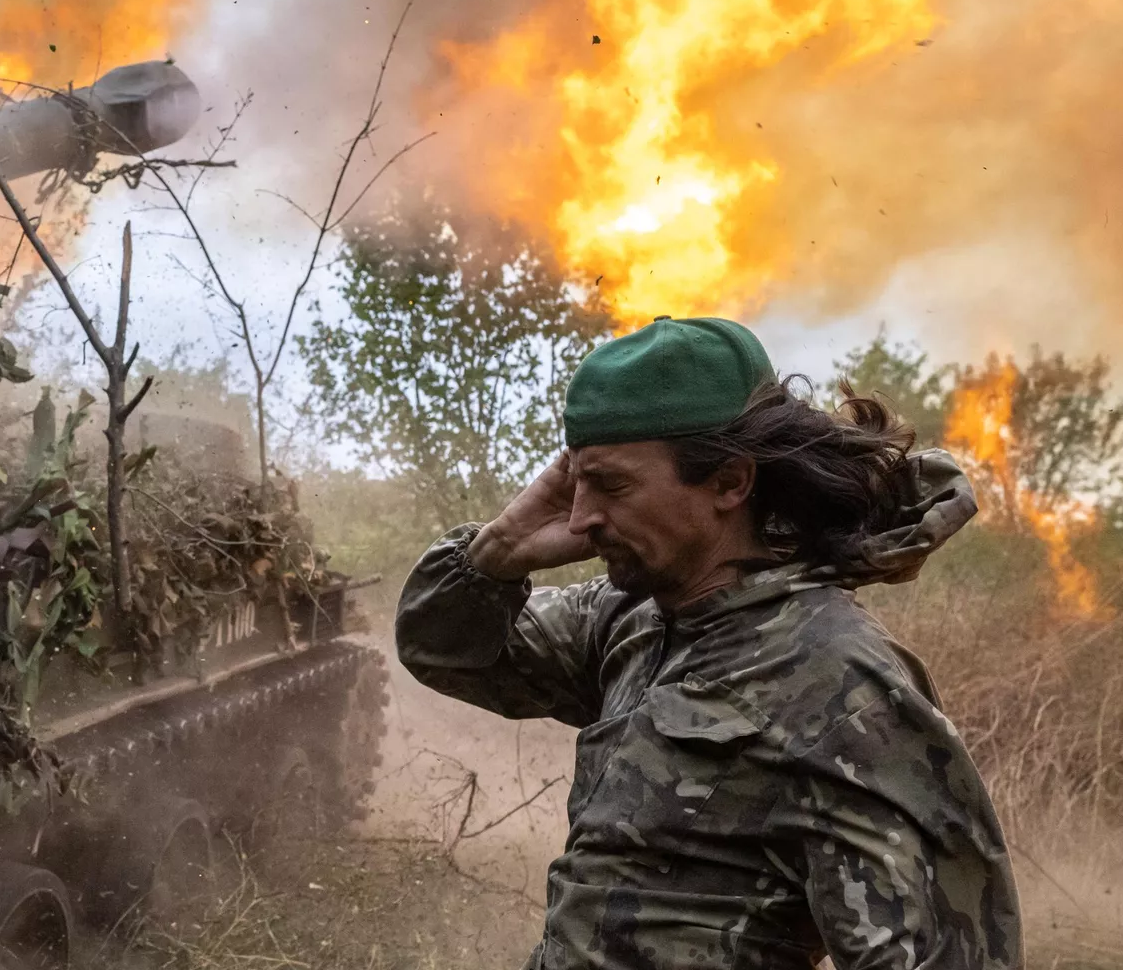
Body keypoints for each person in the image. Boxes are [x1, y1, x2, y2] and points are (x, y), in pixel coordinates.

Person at [396, 316, 1020, 970]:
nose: (579, 519)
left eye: (611, 485)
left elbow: (946, 953)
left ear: (729, 482)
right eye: (573, 482)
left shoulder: (837, 680)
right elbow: (442, 651)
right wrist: (497, 553)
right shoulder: (627, 621)